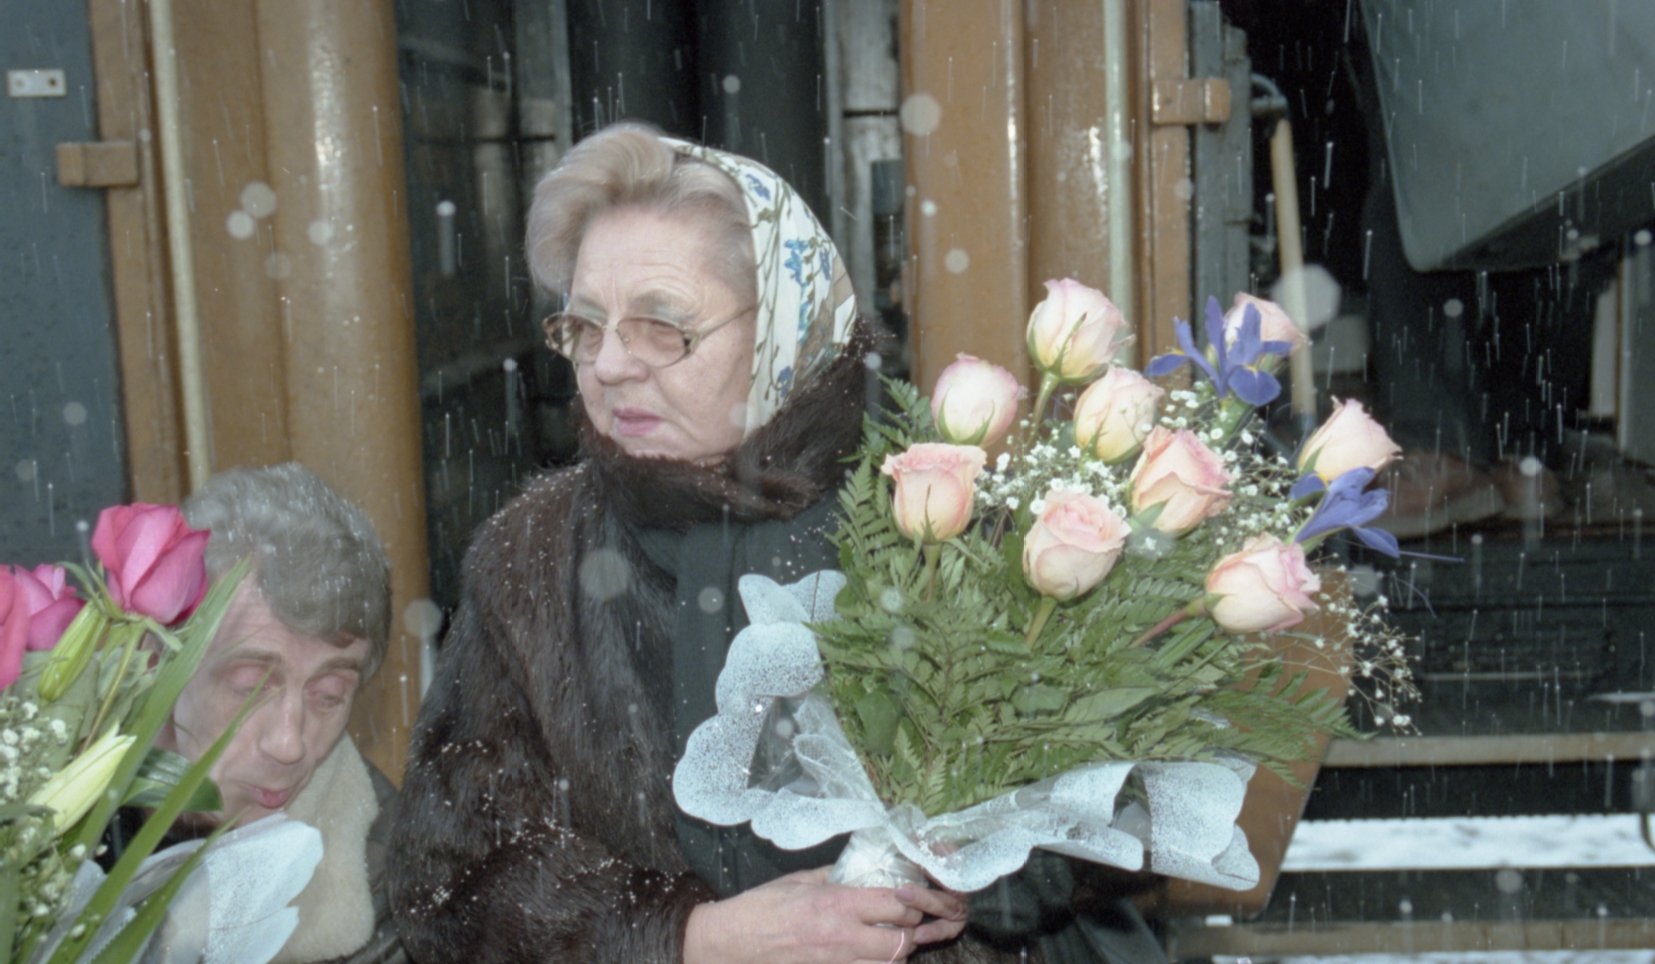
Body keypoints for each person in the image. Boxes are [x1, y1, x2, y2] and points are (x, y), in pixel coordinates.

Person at [388, 124, 1167, 964]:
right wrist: (690, 937)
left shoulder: (934, 513)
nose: (609, 365)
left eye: (660, 326)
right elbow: (449, 879)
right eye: (585, 326)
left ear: (780, 331)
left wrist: (952, 870)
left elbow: (1120, 806)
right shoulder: (532, 559)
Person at [112, 464, 406, 964]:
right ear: (155, 661)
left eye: (328, 694)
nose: (290, 744)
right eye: (250, 688)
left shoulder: (376, 863)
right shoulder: (40, 809)